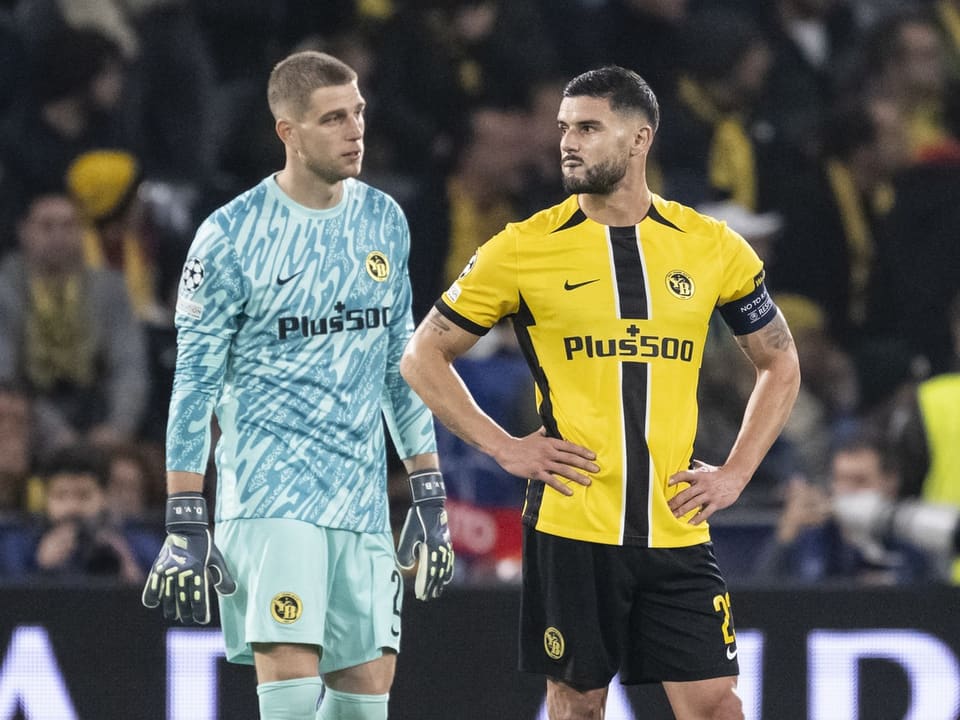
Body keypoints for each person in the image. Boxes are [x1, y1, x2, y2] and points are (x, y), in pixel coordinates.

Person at [401, 66, 801, 720]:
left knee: (715, 704)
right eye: (564, 128)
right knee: (578, 703)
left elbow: (780, 363)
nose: (568, 142)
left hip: (676, 525)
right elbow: (423, 356)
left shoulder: (711, 247)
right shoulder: (522, 249)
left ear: (640, 137)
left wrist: (736, 473)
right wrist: (505, 448)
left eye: (588, 127)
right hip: (573, 523)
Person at [139, 51, 454, 720]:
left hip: (362, 502)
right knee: (289, 700)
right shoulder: (229, 236)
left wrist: (427, 492)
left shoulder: (384, 221)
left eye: (359, 113)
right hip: (271, 498)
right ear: (288, 131)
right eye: (333, 118)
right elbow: (192, 387)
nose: (355, 130)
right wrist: (185, 513)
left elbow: (402, 365)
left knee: (366, 706)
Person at [0, 189, 149, 453]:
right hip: (28, 416)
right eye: (46, 226)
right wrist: (56, 434)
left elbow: (129, 367)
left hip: (96, 412)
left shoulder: (110, 288)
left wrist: (118, 427)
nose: (58, 236)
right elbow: (6, 375)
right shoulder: (6, 288)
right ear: (24, 231)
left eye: (69, 226)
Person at [753, 430, 933, 586]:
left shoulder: (912, 541)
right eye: (840, 480)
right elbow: (762, 603)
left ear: (890, 483)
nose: (848, 492)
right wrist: (785, 537)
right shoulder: (812, 539)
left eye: (859, 481)